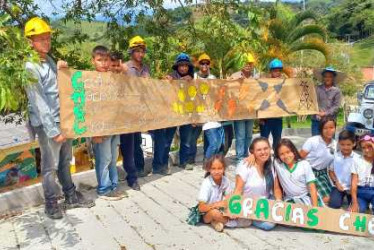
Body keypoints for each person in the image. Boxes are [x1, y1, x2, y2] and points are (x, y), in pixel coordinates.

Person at [24, 17, 94, 219]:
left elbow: (59, 87)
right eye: (41, 39)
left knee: (65, 161)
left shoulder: (48, 59)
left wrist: (60, 68)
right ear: (30, 41)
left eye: (48, 38)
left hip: (62, 119)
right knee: (50, 166)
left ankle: (71, 195)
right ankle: (51, 203)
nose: (47, 42)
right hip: (48, 125)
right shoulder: (30, 67)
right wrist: (54, 132)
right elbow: (39, 102)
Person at [91, 46, 127, 200]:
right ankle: (104, 189)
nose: (104, 63)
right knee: (104, 158)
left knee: (113, 158)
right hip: (100, 128)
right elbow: (88, 108)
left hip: (114, 125)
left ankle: (113, 185)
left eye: (106, 60)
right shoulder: (90, 79)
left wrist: (122, 69)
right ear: (93, 61)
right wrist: (95, 132)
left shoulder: (112, 77)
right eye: (100, 60)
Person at [234, 137, 282, 231]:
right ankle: (250, 217)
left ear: (270, 149)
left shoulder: (272, 163)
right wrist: (234, 208)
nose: (263, 152)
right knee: (269, 225)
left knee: (285, 211)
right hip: (250, 205)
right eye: (259, 150)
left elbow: (276, 189)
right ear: (253, 152)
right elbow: (238, 190)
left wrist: (279, 201)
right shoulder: (245, 165)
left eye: (265, 148)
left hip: (266, 201)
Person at [198, 155, 251, 232]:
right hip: (207, 213)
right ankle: (231, 223)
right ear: (209, 169)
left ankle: (217, 222)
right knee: (214, 213)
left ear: (224, 169)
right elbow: (201, 208)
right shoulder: (206, 183)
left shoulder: (225, 180)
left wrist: (230, 207)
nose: (217, 171)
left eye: (220, 168)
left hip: (221, 209)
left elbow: (228, 198)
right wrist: (215, 205)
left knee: (236, 205)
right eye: (213, 168)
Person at [125, 36, 150, 178]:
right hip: (128, 110)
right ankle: (132, 171)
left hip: (141, 109)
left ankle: (140, 167)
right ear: (132, 52)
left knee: (138, 140)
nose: (140, 54)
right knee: (130, 142)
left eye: (142, 51)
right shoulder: (126, 67)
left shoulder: (145, 68)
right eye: (137, 51)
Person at [165, 53, 195, 170]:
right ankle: (164, 163)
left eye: (186, 66)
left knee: (186, 140)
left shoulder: (192, 79)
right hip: (173, 112)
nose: (183, 68)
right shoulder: (171, 77)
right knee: (168, 140)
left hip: (187, 113)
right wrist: (170, 81)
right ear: (177, 66)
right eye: (181, 65)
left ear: (189, 67)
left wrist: (191, 81)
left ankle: (184, 161)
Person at [194, 53, 224, 162]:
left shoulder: (213, 78)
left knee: (218, 143)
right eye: (202, 63)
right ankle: (207, 163)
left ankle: (213, 163)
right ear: (199, 65)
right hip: (202, 114)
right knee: (214, 143)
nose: (205, 65)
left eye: (207, 63)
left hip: (214, 114)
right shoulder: (194, 77)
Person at [300, 116, 337, 204]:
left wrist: (336, 182)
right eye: (325, 128)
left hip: (322, 174)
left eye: (331, 127)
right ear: (321, 129)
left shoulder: (335, 145)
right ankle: (307, 202)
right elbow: (299, 157)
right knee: (322, 199)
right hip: (308, 172)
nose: (329, 130)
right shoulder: (312, 141)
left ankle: (311, 198)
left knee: (332, 198)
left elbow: (331, 169)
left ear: (335, 128)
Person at [229, 53, 257, 162]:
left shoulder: (255, 77)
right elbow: (227, 87)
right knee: (240, 135)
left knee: (249, 135)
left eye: (250, 63)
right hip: (239, 112)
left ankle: (247, 155)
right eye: (245, 63)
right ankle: (240, 157)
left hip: (250, 111)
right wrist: (234, 81)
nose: (248, 65)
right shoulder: (235, 75)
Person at [274, 138, 319, 206]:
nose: (286, 156)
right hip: (289, 200)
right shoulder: (278, 164)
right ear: (278, 156)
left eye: (288, 152)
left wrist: (315, 208)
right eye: (281, 154)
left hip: (306, 199)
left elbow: (312, 189)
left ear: (294, 151)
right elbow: (263, 155)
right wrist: (252, 155)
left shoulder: (304, 164)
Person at [328, 130, 360, 209]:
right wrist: (336, 183)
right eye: (342, 144)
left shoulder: (358, 158)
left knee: (355, 207)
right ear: (339, 143)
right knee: (333, 205)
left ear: (354, 143)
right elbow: (331, 171)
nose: (345, 147)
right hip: (338, 186)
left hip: (353, 188)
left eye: (348, 144)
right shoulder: (335, 156)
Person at [260, 58, 284, 150]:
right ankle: (264, 159)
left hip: (278, 117)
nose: (277, 73)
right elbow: (260, 99)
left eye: (279, 71)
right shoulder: (265, 83)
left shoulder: (284, 84)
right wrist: (261, 116)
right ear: (271, 71)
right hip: (266, 118)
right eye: (275, 71)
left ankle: (277, 158)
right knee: (263, 140)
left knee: (277, 139)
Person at [311, 67, 344, 136]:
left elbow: (336, 107)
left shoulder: (337, 91)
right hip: (317, 120)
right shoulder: (317, 88)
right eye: (325, 76)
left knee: (329, 144)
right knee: (315, 142)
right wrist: (317, 110)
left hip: (330, 122)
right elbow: (312, 101)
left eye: (330, 77)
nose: (327, 78)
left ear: (333, 78)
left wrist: (325, 113)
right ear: (323, 78)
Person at [351, 135, 374, 214]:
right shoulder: (357, 161)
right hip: (361, 191)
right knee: (357, 211)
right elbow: (353, 184)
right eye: (363, 148)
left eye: (370, 146)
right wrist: (354, 202)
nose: (367, 150)